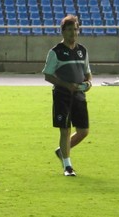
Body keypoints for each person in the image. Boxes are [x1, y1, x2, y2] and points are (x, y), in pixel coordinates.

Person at [42, 14, 93, 177]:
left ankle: (62, 151)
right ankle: (67, 166)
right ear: (63, 32)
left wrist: (88, 84)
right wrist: (66, 85)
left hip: (79, 96)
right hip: (62, 96)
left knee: (84, 131)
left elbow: (88, 73)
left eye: (75, 29)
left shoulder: (82, 51)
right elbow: (48, 75)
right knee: (65, 130)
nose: (73, 33)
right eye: (69, 30)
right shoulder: (55, 52)